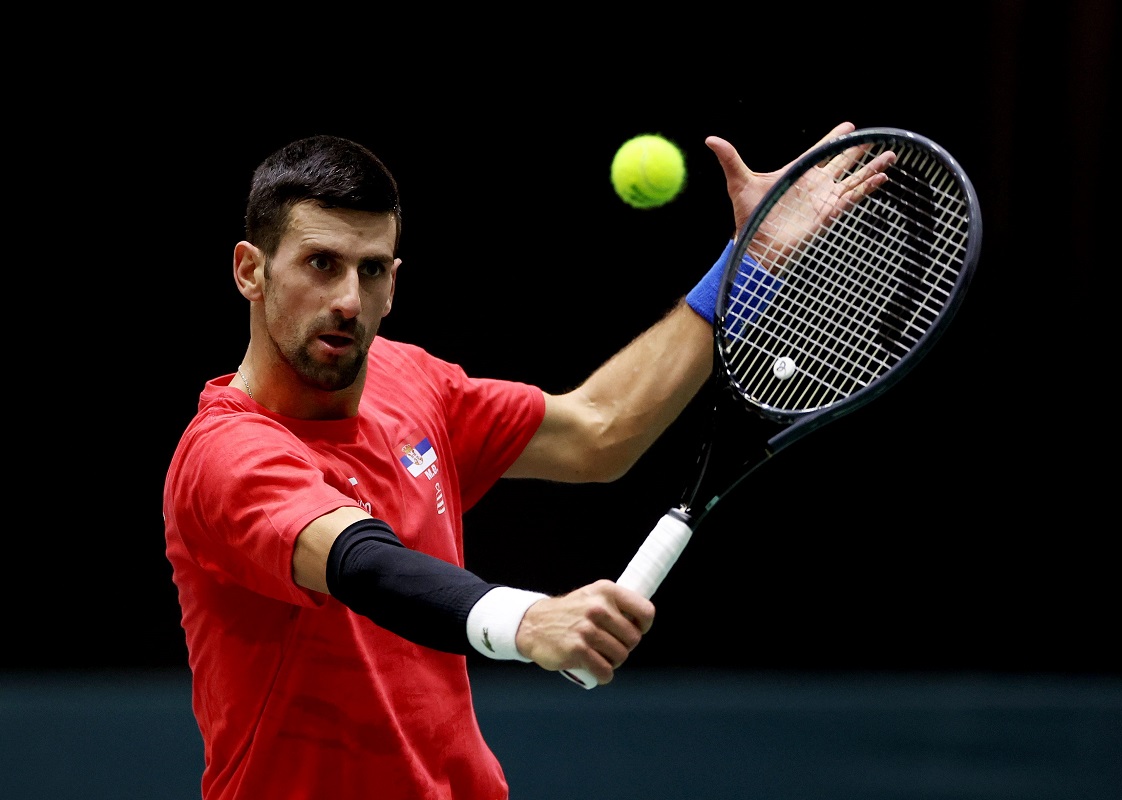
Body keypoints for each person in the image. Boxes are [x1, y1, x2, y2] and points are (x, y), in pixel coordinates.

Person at [163, 121, 873, 799]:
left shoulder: (409, 382)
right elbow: (362, 563)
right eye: (321, 264)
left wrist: (744, 265)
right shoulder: (227, 456)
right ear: (249, 271)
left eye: (371, 269)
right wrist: (529, 622)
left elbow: (598, 430)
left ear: (394, 282)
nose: (349, 300)